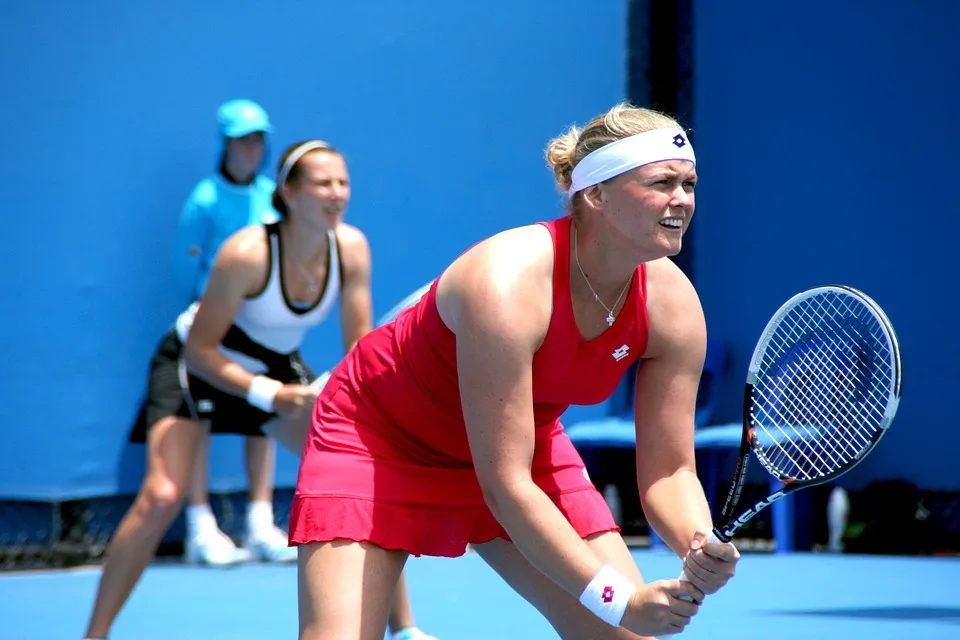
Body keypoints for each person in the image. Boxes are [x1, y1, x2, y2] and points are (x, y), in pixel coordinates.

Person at [289, 103, 742, 640]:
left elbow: (669, 472)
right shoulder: (504, 283)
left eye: (688, 183)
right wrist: (618, 599)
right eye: (661, 182)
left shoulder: (674, 307)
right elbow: (505, 486)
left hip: (519, 445)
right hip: (380, 438)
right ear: (594, 195)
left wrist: (698, 541)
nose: (682, 200)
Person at [84, 140, 437, 640]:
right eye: (322, 183)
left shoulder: (352, 249)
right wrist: (268, 395)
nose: (336, 194)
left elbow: (361, 349)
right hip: (198, 362)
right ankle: (93, 635)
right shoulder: (246, 253)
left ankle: (404, 629)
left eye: (343, 183)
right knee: (162, 495)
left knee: (361, 474)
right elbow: (200, 351)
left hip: (273, 367)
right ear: (288, 193)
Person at [166, 98, 293, 565]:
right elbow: (185, 266)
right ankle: (201, 527)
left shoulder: (271, 197)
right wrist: (205, 310)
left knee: (263, 414)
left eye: (258, 138)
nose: (252, 148)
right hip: (213, 326)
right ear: (225, 144)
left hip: (260, 327)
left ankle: (261, 523)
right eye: (242, 139)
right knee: (200, 419)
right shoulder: (204, 198)